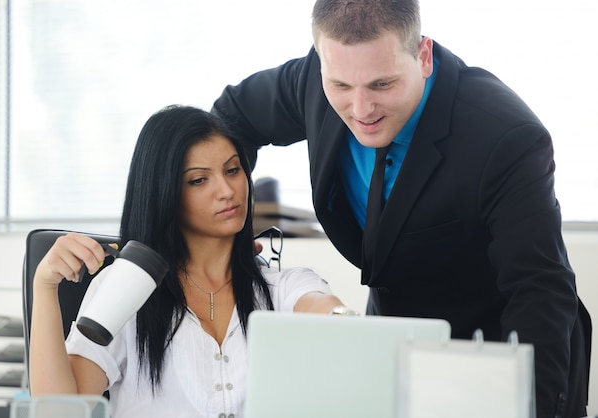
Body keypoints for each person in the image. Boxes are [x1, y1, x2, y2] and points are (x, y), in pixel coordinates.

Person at [212, 0, 592, 416]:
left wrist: (523, 404)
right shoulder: (316, 78)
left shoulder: (505, 139)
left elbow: (539, 290)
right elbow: (230, 119)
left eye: (382, 85)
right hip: (396, 339)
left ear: (423, 56)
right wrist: (226, 231)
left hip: (496, 350)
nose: (361, 111)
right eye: (340, 86)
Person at [28, 105, 348, 417]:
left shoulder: (285, 287)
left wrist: (339, 318)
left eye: (233, 170)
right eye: (198, 180)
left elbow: (322, 309)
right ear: (163, 193)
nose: (226, 190)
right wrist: (45, 285)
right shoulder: (124, 294)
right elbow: (58, 412)